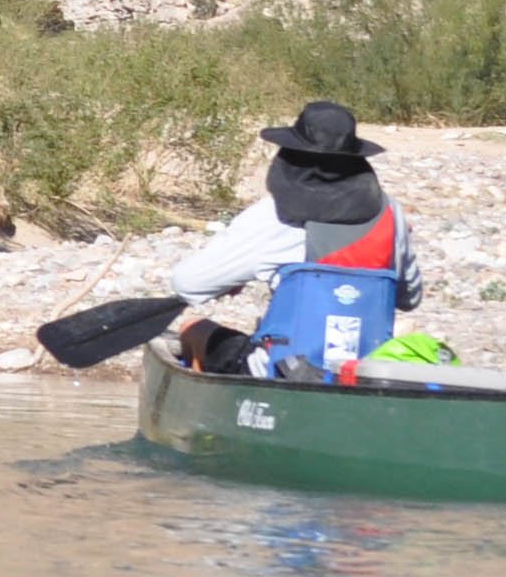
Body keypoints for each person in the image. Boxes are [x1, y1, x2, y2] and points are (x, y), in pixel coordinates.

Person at [164, 97, 424, 377]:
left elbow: (187, 284)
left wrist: (237, 278)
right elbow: (409, 298)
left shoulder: (273, 216)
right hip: (362, 374)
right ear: (356, 163)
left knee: (193, 328)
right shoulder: (391, 214)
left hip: (280, 372)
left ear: (289, 157)